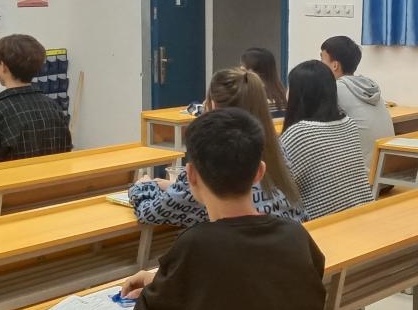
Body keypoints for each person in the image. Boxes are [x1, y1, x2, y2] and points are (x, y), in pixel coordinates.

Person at [121, 108, 331, 310]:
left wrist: (161, 283)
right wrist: (164, 277)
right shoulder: (295, 235)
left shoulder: (199, 246)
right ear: (260, 172)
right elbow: (249, 276)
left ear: (190, 175)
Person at [128, 67, 305, 226]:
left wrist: (143, 186)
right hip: (287, 241)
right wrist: (171, 186)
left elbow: (151, 212)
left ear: (212, 105)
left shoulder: (214, 156)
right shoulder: (276, 148)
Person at [280, 60, 375, 219]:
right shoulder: (348, 123)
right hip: (363, 214)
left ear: (299, 94)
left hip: (324, 223)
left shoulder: (300, 133)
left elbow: (276, 184)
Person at [0, 34, 72, 165]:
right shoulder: (54, 107)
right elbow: (66, 150)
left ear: (3, 66)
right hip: (52, 177)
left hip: (10, 178)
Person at [320, 36, 393, 164]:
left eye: (322, 59)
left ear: (335, 65)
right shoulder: (368, 86)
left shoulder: (335, 88)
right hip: (385, 166)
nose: (319, 65)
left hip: (359, 170)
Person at [241, 47, 288, 117]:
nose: (240, 69)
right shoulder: (282, 92)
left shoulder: (251, 93)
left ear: (251, 71)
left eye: (243, 66)